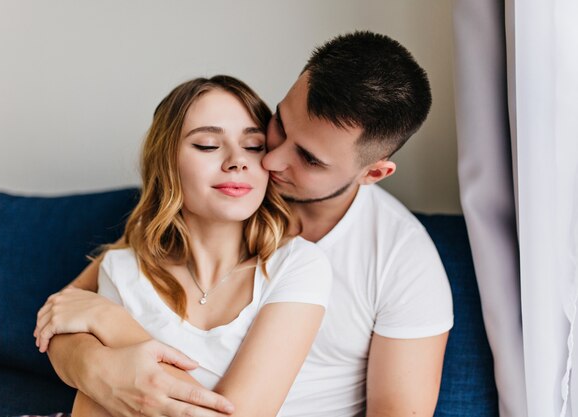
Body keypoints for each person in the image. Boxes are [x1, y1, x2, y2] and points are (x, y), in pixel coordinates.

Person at [39, 31, 453, 417]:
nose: (269, 161)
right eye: (278, 126)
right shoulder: (220, 199)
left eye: (308, 158)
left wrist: (119, 335)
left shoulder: (402, 261)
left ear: (373, 173)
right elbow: (67, 311)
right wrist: (93, 367)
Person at [34, 75, 332, 416]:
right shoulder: (125, 268)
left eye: (253, 146)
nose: (238, 160)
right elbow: (58, 321)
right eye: (207, 144)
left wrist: (113, 323)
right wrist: (93, 365)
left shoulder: (297, 265)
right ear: (167, 161)